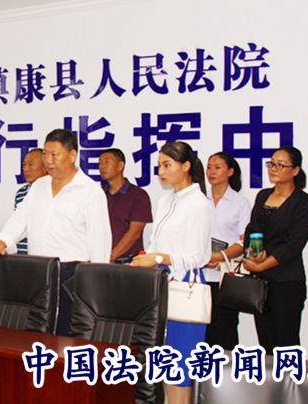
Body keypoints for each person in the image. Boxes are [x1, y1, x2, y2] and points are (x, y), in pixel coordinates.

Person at [0, 128, 112, 335]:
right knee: (35, 334)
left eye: (54, 155)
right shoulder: (38, 187)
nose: (48, 161)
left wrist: (96, 285)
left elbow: (100, 241)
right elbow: (20, 219)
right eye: (45, 154)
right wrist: (2, 242)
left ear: (72, 155)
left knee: (65, 336)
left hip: (71, 276)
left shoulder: (90, 191)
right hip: (38, 272)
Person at [131, 141, 211, 404]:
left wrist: (159, 258)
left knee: (181, 367)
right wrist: (147, 258)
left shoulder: (198, 203)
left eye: (167, 165)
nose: (161, 172)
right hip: (160, 286)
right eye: (159, 166)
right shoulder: (165, 200)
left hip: (184, 288)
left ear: (186, 166)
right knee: (164, 364)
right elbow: (155, 242)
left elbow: (199, 257)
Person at [240, 146, 308, 353]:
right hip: (260, 282)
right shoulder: (263, 195)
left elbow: (293, 245)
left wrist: (263, 264)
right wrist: (251, 254)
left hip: (287, 281)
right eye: (271, 164)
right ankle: (269, 376)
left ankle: (290, 376)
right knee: (265, 341)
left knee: (286, 342)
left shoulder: (306, 203)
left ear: (295, 170)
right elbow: (251, 230)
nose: (273, 168)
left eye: (280, 165)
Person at [203, 152, 251, 350]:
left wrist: (219, 256)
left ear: (230, 171)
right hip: (200, 274)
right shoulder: (200, 199)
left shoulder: (240, 203)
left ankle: (227, 369)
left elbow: (244, 241)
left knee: (225, 329)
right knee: (202, 330)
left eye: (217, 167)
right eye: (209, 167)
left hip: (226, 276)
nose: (211, 172)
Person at [98, 148, 152, 262]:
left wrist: (111, 257)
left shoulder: (139, 195)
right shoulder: (98, 194)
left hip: (128, 263)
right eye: (100, 162)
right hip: (99, 260)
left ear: (120, 166)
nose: (102, 166)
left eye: (106, 162)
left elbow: (134, 233)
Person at [14, 148, 47, 254]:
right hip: (21, 255)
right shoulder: (21, 193)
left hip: (43, 256)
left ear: (45, 167)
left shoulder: (53, 192)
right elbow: (17, 223)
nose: (26, 169)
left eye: (31, 164)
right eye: (24, 165)